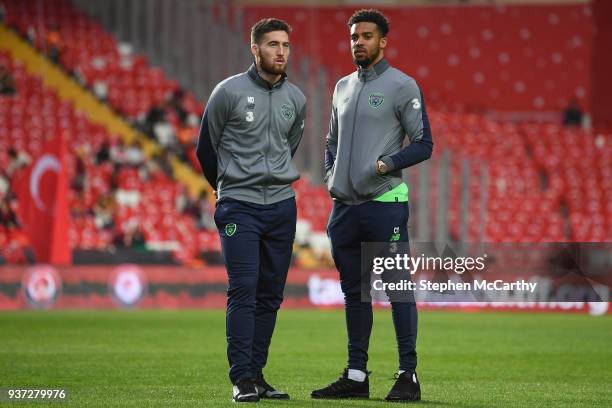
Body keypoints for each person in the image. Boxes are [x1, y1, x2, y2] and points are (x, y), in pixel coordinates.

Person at [311, 9, 433, 402]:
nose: (358, 42)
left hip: (385, 204)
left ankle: (408, 376)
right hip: (344, 208)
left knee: (397, 289)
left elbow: (423, 143)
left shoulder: (402, 85)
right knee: (355, 294)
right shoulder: (342, 86)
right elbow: (330, 142)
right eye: (354, 37)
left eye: (366, 36)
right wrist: (331, 177)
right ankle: (357, 375)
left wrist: (387, 164)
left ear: (383, 42)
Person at [196, 18, 306, 403]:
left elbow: (287, 148)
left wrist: (270, 179)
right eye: (273, 44)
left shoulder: (297, 99)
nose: (281, 51)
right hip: (238, 207)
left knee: (271, 295)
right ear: (255, 50)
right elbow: (205, 150)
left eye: (286, 45)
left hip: (281, 206)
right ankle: (241, 377)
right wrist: (227, 188)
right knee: (243, 289)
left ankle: (257, 375)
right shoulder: (227, 92)